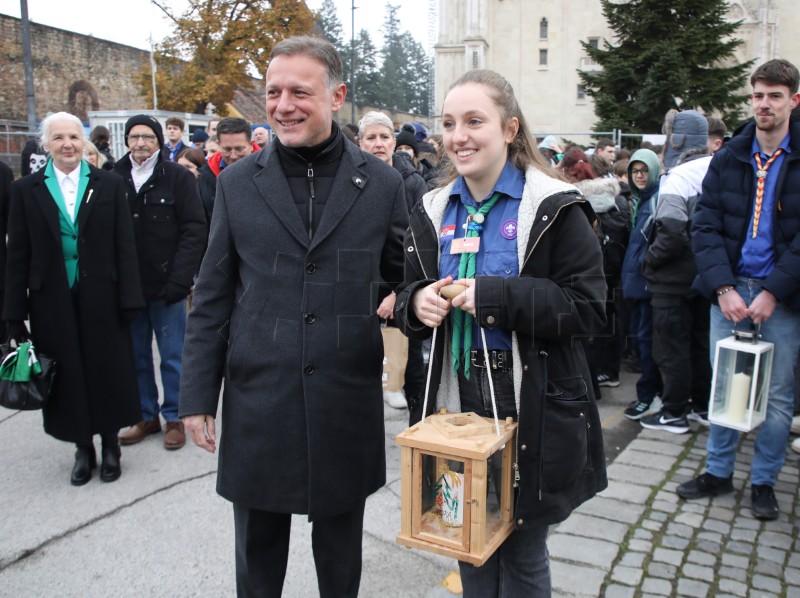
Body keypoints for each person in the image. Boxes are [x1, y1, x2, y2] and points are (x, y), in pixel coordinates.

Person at [179, 36, 407, 597]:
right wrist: (196, 397)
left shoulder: (382, 185)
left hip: (343, 399)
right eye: (273, 92)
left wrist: (405, 303)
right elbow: (211, 295)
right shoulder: (236, 184)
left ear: (337, 95)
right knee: (256, 561)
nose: (283, 105)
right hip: (261, 400)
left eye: (299, 91)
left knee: (339, 561)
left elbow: (405, 280)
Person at [394, 69, 607, 597]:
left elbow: (587, 309)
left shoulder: (555, 206)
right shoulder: (433, 208)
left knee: (523, 547)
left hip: (528, 398)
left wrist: (496, 297)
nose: (458, 135)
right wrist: (415, 301)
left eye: (474, 121)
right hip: (455, 401)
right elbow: (405, 292)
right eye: (449, 123)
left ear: (510, 128)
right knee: (466, 535)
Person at [679, 59, 800, 520]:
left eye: (774, 95)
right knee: (724, 384)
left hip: (781, 296)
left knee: (778, 394)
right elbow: (704, 224)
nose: (764, 104)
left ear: (792, 100)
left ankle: (765, 480)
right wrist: (724, 287)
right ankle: (718, 471)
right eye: (758, 95)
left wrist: (773, 291)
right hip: (729, 292)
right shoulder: (730, 156)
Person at [2, 112, 144, 485]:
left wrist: (130, 297)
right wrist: (14, 314)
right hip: (51, 298)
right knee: (67, 375)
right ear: (46, 144)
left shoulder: (109, 184)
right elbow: (17, 255)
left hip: (103, 295)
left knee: (106, 369)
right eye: (59, 138)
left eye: (74, 137)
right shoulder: (26, 190)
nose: (68, 144)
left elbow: (124, 244)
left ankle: (110, 442)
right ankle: (83, 447)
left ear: (84, 143)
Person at [114, 115, 206, 451]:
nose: (141, 143)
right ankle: (145, 415)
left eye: (148, 137)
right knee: (135, 355)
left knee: (172, 356)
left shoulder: (177, 177)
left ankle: (175, 417)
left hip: (167, 289)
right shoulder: (113, 178)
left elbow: (194, 230)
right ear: (126, 141)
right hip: (128, 290)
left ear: (157, 141)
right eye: (134, 137)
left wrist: (180, 280)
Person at [640, 111, 712, 434]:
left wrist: (649, 262)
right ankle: (701, 406)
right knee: (699, 344)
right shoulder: (716, 168)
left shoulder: (679, 177)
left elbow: (669, 232)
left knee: (671, 348)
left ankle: (673, 412)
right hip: (706, 277)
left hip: (671, 282)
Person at [357, 110, 426, 411]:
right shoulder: (352, 180)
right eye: (371, 137)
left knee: (406, 361)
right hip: (361, 288)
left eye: (384, 137)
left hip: (400, 285)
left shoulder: (410, 183)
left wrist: (397, 292)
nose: (378, 143)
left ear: (394, 143)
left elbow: (417, 242)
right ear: (359, 143)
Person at [621, 149, 663, 420]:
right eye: (635, 171)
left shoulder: (657, 200)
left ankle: (650, 396)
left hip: (648, 285)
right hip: (637, 284)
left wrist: (644, 266)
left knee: (648, 342)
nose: (639, 175)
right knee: (640, 339)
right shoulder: (639, 200)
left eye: (644, 171)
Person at [197, 117, 258, 223]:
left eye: (239, 149)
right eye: (227, 149)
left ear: (251, 144)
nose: (233, 156)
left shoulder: (270, 170)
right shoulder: (206, 173)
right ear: (218, 144)